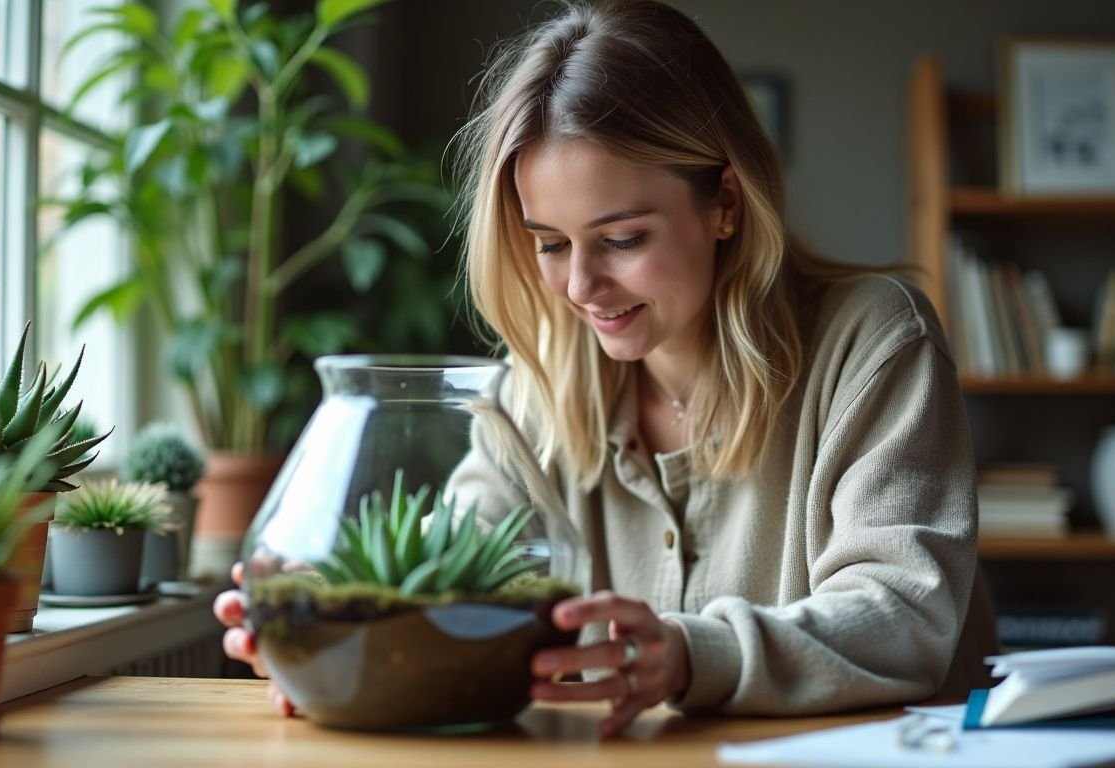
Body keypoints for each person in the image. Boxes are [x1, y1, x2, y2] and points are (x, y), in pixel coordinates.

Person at [215, 0, 994, 737]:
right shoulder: (534, 392)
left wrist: (693, 654)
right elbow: (455, 580)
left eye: (621, 239)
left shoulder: (874, 341)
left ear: (725, 201)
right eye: (550, 243)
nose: (580, 288)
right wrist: (343, 644)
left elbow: (904, 615)